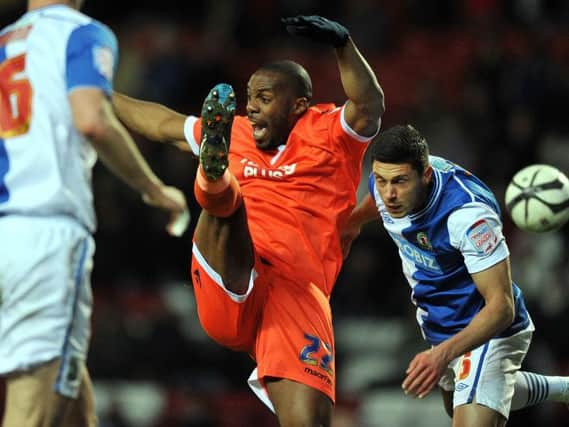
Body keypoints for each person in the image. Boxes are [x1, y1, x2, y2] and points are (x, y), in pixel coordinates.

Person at [113, 15, 384, 426]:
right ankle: (215, 177)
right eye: (249, 96)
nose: (251, 106)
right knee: (231, 204)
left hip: (296, 294)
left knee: (310, 421)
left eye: (264, 97)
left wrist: (344, 44)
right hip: (233, 272)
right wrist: (96, 94)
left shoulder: (331, 133)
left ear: (298, 105)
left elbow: (369, 105)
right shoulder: (235, 131)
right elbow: (161, 123)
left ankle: (216, 179)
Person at [0, 1, 189, 426]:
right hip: (44, 233)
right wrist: (153, 188)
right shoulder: (82, 32)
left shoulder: (4, 44)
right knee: (31, 410)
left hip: (5, 230)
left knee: (69, 387)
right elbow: (93, 120)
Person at [342, 124, 569, 426]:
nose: (389, 194)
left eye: (399, 182)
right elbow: (377, 198)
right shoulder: (389, 180)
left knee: (470, 412)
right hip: (440, 323)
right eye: (381, 181)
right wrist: (350, 223)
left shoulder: (469, 218)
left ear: (425, 175)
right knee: (466, 401)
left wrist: (440, 356)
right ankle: (562, 388)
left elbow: (501, 308)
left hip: (488, 329)